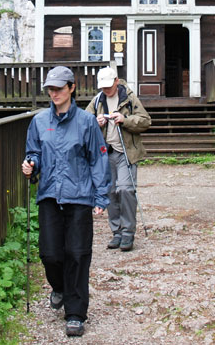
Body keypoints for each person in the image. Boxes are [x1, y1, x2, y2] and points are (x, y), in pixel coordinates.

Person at [22, 65, 110, 337]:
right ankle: (58, 287)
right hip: (49, 193)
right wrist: (31, 165)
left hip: (79, 196)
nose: (54, 93)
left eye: (59, 88)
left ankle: (75, 313)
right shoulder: (38, 121)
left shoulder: (86, 122)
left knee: (78, 254)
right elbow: (33, 152)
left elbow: (98, 158)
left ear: (72, 88)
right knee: (50, 254)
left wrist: (100, 195)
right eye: (50, 88)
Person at [85, 66, 151, 252]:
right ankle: (117, 233)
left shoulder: (128, 98)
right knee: (110, 192)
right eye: (103, 87)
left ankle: (128, 233)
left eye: (109, 86)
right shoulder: (97, 100)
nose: (106, 90)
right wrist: (94, 122)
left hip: (126, 152)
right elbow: (84, 122)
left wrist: (125, 119)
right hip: (106, 153)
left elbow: (145, 120)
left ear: (116, 81)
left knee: (126, 190)